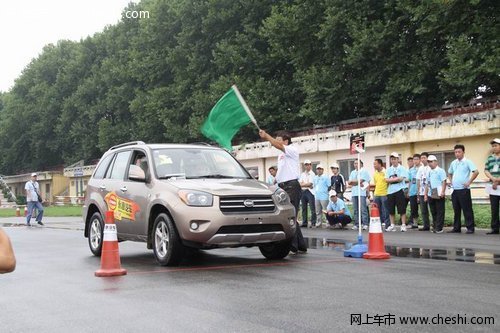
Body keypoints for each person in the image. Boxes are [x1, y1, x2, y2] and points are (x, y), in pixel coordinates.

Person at [259, 129, 307, 254]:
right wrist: (275, 182)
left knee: (289, 215)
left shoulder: (292, 149)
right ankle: (301, 244)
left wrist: (267, 137)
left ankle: (293, 245)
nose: (276, 142)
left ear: (286, 141)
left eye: (279, 140)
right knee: (290, 215)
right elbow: (281, 170)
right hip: (282, 185)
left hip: (291, 185)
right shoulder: (281, 155)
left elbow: (278, 145)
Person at [447, 144, 479, 234]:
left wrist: (469, 182)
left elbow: (476, 172)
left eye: (459, 152)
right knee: (456, 210)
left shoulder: (468, 162)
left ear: (463, 152)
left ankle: (470, 228)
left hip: (464, 189)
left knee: (467, 209)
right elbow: (449, 173)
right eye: (455, 152)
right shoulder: (453, 162)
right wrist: (451, 180)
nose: (457, 154)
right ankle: (456, 228)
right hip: (455, 190)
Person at [385, 152, 409, 232]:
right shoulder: (389, 169)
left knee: (402, 209)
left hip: (400, 190)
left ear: (398, 159)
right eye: (392, 159)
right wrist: (395, 179)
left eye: (395, 159)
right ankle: (392, 225)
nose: (393, 160)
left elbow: (401, 179)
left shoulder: (402, 168)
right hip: (390, 191)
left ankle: (403, 225)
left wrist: (391, 180)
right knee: (391, 209)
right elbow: (386, 180)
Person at [425, 155, 447, 233]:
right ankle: (435, 226)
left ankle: (439, 227)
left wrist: (443, 191)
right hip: (431, 193)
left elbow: (444, 181)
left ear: (436, 162)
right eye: (429, 162)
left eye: (431, 162)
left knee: (440, 211)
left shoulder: (441, 171)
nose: (430, 163)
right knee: (433, 211)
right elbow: (427, 183)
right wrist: (426, 194)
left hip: (439, 192)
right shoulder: (429, 172)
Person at [347, 160, 371, 230]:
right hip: (354, 192)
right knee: (355, 209)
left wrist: (354, 181)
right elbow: (349, 182)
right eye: (355, 163)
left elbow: (361, 180)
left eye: (357, 163)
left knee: (363, 209)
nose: (356, 164)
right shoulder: (353, 172)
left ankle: (365, 223)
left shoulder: (364, 171)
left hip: (362, 192)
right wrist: (355, 182)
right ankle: (356, 224)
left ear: (361, 164)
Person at [484, 138, 500, 235]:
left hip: (498, 184)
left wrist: (497, 180)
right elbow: (486, 170)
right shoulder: (490, 158)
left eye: (496, 145)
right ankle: (494, 228)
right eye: (493, 146)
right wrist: (493, 179)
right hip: (493, 187)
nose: (494, 147)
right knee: (494, 208)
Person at [372, 158, 390, 228]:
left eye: (375, 164)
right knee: (377, 210)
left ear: (380, 164)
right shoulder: (375, 173)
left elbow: (388, 183)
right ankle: (378, 225)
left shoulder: (386, 172)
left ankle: (387, 225)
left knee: (385, 210)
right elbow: (376, 184)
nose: (374, 165)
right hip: (376, 194)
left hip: (384, 193)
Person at [417, 152, 431, 231]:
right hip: (421, 191)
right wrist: (418, 191)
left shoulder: (430, 167)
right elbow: (418, 179)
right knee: (423, 210)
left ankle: (436, 225)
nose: (423, 159)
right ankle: (426, 225)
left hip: (430, 192)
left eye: (424, 158)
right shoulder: (420, 168)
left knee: (432, 209)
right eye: (421, 158)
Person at [299, 160, 316, 228]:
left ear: (311, 165)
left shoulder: (312, 174)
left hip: (310, 192)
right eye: (306, 165)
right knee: (303, 208)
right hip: (303, 191)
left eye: (309, 164)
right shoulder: (302, 174)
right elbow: (300, 183)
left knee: (312, 208)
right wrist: (306, 184)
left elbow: (310, 184)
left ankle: (313, 222)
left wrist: (304, 184)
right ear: (304, 166)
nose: (307, 166)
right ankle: (304, 222)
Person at [407, 154, 421, 229]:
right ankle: (415, 223)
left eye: (417, 159)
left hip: (421, 191)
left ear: (420, 160)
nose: (415, 161)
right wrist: (409, 191)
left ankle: (426, 223)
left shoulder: (422, 168)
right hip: (412, 191)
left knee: (423, 208)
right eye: (414, 159)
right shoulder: (411, 170)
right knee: (413, 208)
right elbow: (410, 181)